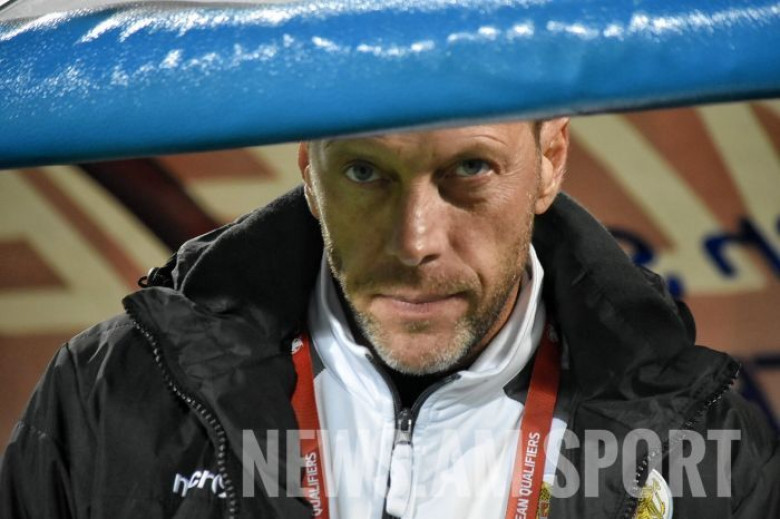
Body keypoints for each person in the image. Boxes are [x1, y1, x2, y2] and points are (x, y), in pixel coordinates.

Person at [1, 120, 777, 519]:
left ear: (550, 158)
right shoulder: (109, 395)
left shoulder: (707, 448)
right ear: (309, 168)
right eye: (366, 170)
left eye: (469, 168)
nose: (415, 241)